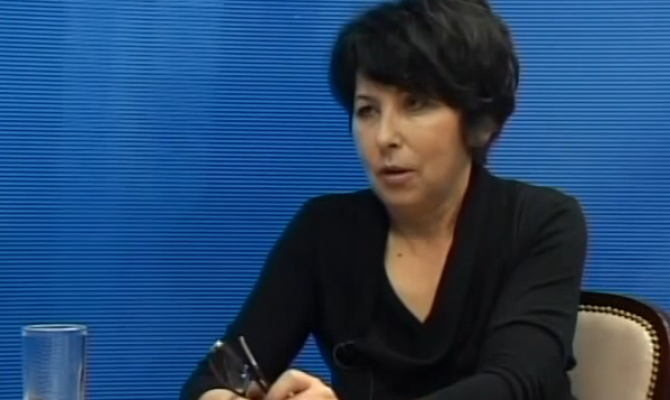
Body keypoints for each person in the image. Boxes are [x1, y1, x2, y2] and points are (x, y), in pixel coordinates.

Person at [180, 0, 588, 399]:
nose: (384, 137)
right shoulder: (326, 231)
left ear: (478, 121)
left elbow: (516, 383)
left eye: (416, 104)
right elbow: (223, 373)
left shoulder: (540, 221)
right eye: (367, 110)